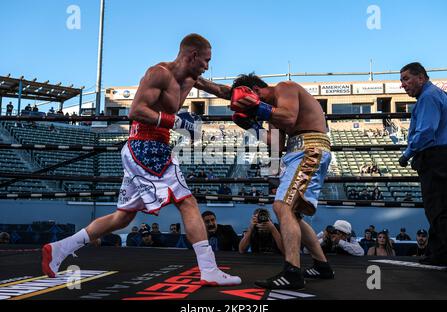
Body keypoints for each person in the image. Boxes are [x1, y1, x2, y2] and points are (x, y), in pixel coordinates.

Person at [41, 33, 241, 286]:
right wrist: (178, 121)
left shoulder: (191, 78)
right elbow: (135, 110)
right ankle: (209, 269)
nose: (207, 66)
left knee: (123, 217)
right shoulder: (158, 74)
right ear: (192, 55)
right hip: (146, 146)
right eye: (206, 60)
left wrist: (253, 100)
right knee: (187, 203)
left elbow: (220, 90)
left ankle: (59, 248)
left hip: (148, 148)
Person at [205, 72, 334, 289]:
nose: (249, 109)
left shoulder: (285, 87)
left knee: (282, 206)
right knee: (292, 214)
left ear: (254, 92)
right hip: (297, 153)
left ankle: (292, 272)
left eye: (247, 103)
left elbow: (289, 118)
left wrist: (256, 108)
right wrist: (252, 127)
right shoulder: (273, 112)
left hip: (309, 149)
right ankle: (322, 266)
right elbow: (276, 144)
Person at [398, 62, 447, 266]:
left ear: (421, 77)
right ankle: (439, 254)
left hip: (436, 157)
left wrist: (407, 154)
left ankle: (444, 254)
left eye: (406, 79)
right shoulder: (437, 94)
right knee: (440, 208)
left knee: (438, 208)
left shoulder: (428, 97)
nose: (403, 85)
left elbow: (427, 132)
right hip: (441, 156)